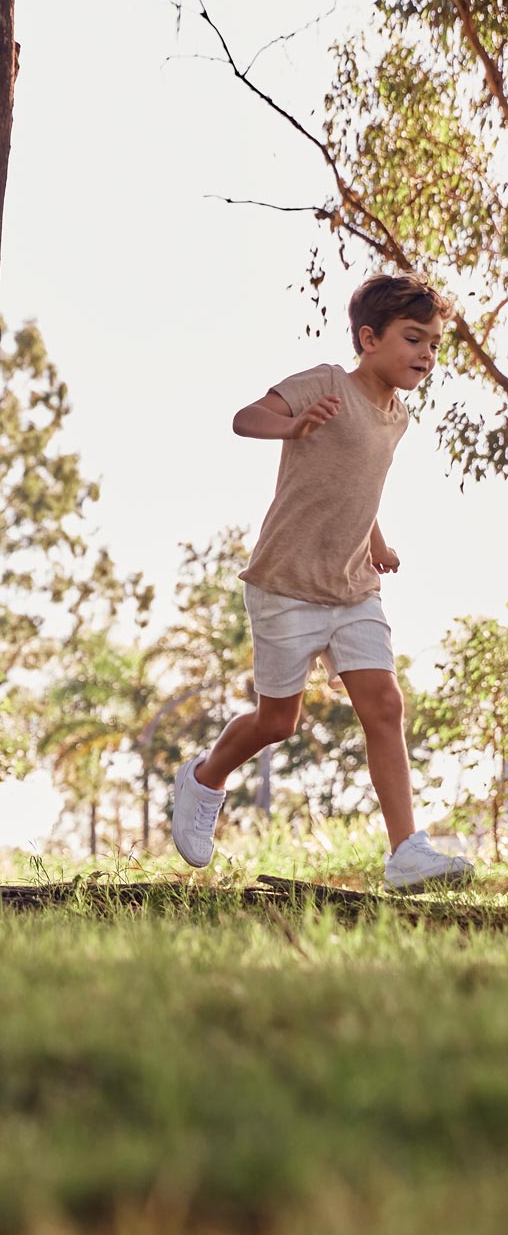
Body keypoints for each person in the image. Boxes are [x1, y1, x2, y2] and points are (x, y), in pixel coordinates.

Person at [171, 272, 474, 891]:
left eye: (435, 344)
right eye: (413, 339)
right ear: (369, 337)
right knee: (278, 722)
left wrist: (379, 542)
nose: (426, 354)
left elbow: (359, 484)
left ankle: (405, 852)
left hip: (355, 586)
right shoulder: (325, 384)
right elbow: (243, 418)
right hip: (286, 583)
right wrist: (292, 427)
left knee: (385, 706)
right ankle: (205, 778)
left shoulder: (398, 416)